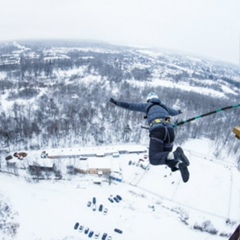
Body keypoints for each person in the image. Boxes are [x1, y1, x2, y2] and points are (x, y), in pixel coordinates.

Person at [109, 92, 190, 182]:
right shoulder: (164, 107)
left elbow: (130, 106)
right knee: (166, 157)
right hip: (170, 132)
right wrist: (179, 112)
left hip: (158, 131)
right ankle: (179, 165)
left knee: (154, 158)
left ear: (149, 100)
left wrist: (117, 103)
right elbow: (174, 112)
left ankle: (176, 154)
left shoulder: (147, 106)